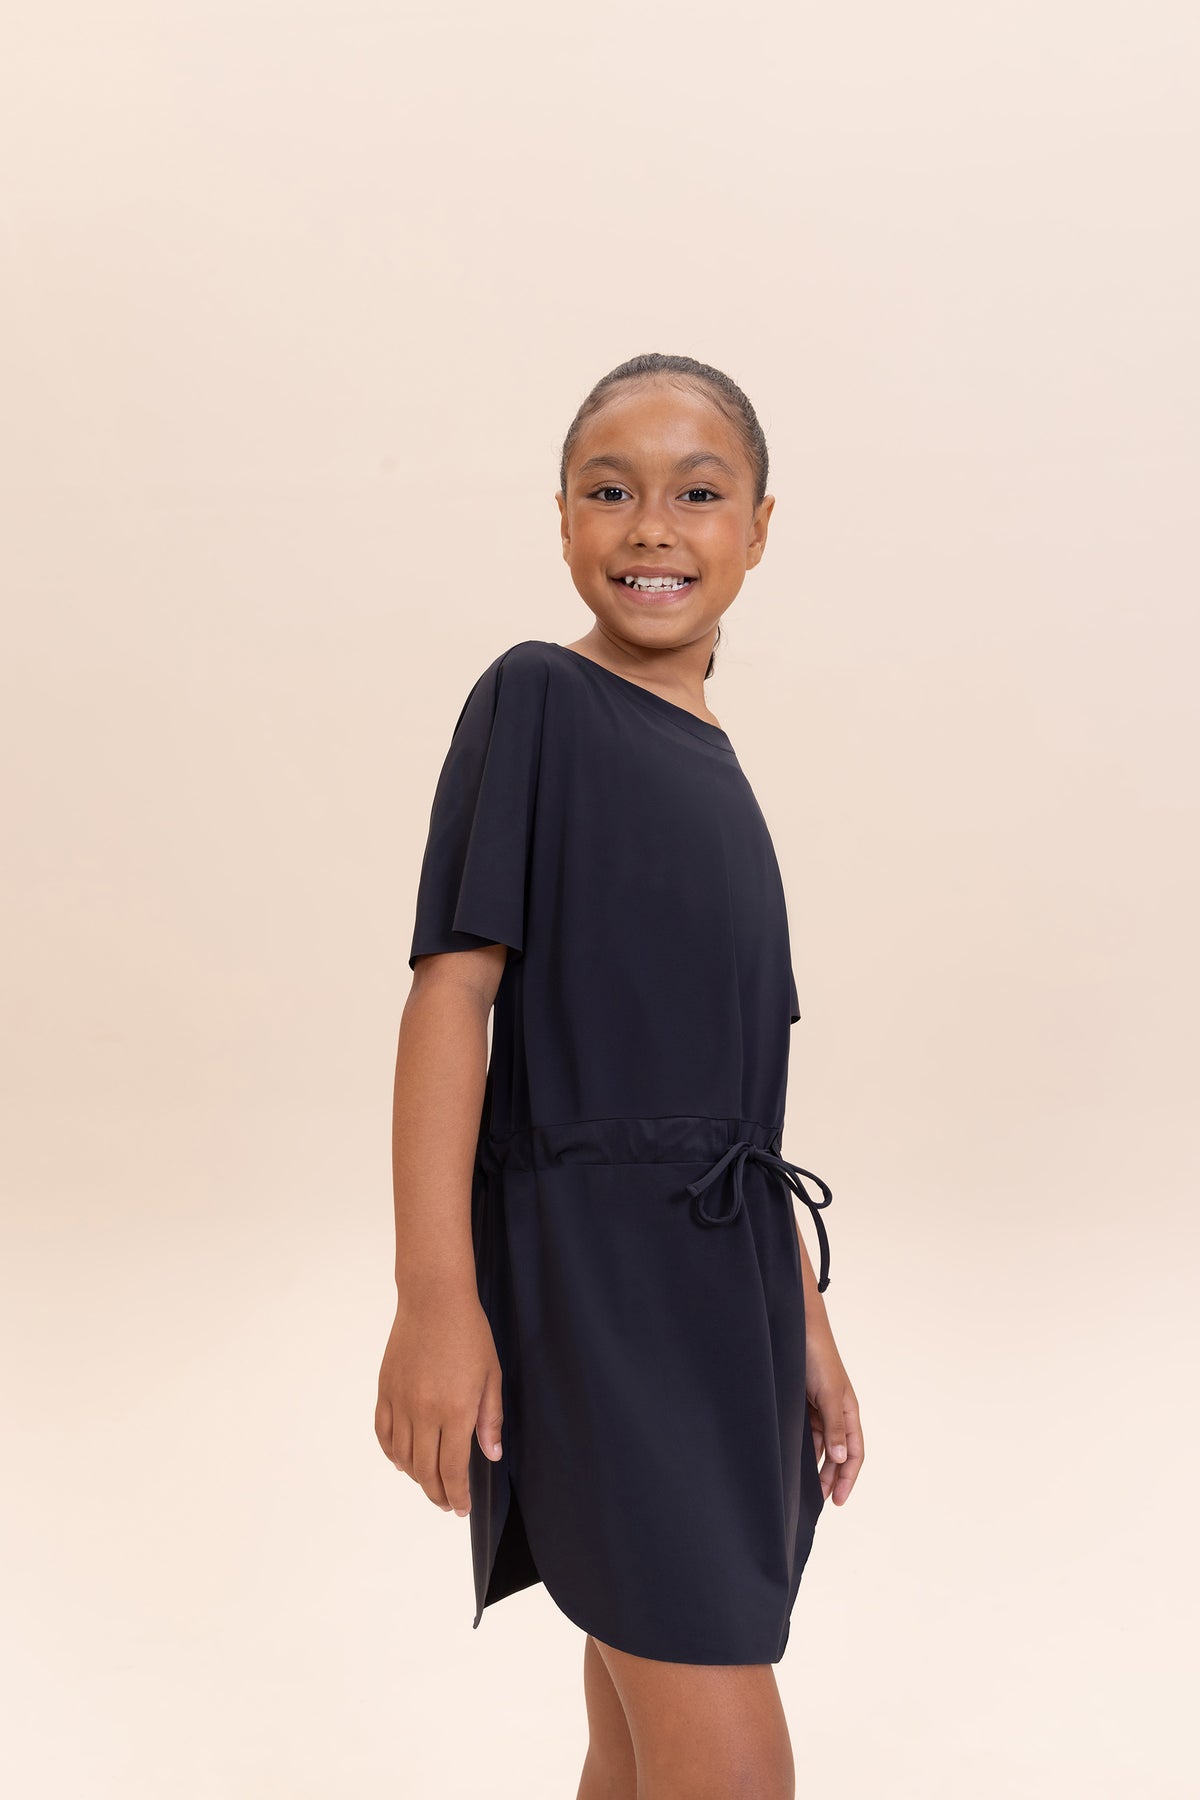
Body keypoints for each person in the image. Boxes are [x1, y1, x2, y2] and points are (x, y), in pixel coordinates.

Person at [376, 352, 864, 1800]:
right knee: (724, 1741)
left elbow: (725, 1102)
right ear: (562, 518)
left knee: (637, 1728)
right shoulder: (539, 701)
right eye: (611, 491)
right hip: (603, 1286)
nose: (652, 527)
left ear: (760, 526)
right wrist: (434, 1296)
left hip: (725, 1301)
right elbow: (452, 997)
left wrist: (806, 1324)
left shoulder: (718, 765)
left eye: (698, 494)